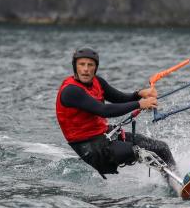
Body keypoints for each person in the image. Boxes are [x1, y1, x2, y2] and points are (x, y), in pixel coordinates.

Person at [55, 47, 176, 178]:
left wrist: (139, 93)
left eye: (90, 65)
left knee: (161, 148)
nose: (86, 69)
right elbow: (103, 111)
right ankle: (179, 183)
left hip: (105, 136)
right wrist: (139, 104)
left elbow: (118, 98)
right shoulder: (71, 91)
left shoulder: (97, 82)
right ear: (75, 67)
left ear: (95, 68)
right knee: (141, 152)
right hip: (90, 149)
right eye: (82, 64)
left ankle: (178, 183)